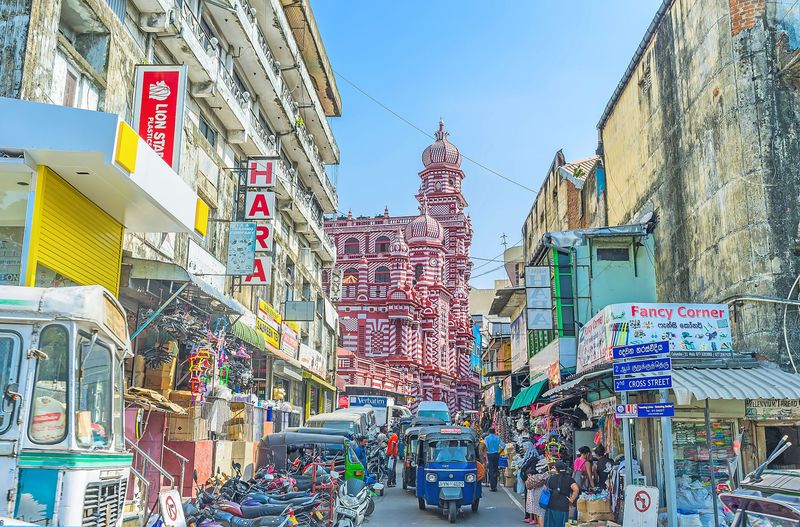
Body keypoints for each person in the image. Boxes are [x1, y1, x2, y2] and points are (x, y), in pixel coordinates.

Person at [544, 461, 580, 527]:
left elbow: (545, 489)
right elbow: (576, 489)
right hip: (563, 505)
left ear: (556, 468)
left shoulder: (550, 478)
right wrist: (571, 500)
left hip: (551, 504)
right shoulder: (569, 478)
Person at [525, 461, 550, 526]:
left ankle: (539, 524)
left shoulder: (535, 480)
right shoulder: (545, 479)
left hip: (535, 496)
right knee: (541, 514)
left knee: (538, 513)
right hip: (543, 498)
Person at [484, 427, 506, 492]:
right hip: (496, 454)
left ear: (489, 432)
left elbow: (486, 447)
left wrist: (486, 455)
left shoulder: (487, 438)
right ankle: (495, 486)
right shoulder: (497, 438)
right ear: (494, 432)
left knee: (491, 470)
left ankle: (492, 486)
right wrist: (500, 452)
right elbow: (504, 445)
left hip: (490, 454)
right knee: (495, 469)